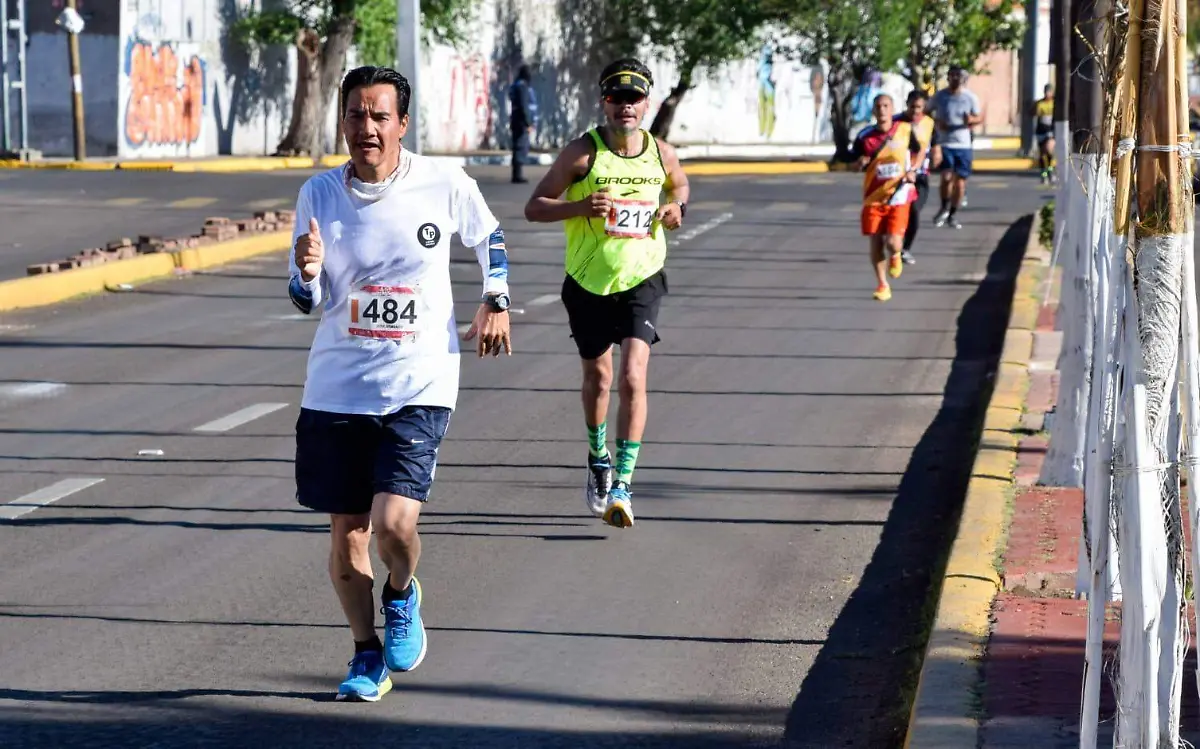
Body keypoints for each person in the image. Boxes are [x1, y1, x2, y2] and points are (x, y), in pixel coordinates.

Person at [288, 65, 514, 702]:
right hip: (336, 387)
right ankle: (366, 656)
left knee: (392, 525)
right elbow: (304, 299)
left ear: (401, 123)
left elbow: (489, 236)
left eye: (379, 116)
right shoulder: (320, 195)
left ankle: (401, 592)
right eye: (356, 115)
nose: (367, 127)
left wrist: (495, 298)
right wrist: (306, 273)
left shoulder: (441, 181)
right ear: (343, 121)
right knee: (347, 535)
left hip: (420, 380)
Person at [524, 58, 689, 529]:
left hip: (643, 276)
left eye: (634, 98)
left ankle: (623, 484)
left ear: (647, 103)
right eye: (617, 98)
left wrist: (676, 206)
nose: (626, 107)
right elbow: (534, 207)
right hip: (588, 282)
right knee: (600, 379)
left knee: (634, 376)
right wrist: (579, 205)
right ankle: (598, 457)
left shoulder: (661, 152)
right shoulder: (583, 154)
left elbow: (678, 184)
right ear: (604, 102)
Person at [850, 93, 925, 302]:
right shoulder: (864, 136)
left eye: (886, 106)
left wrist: (913, 171)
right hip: (874, 196)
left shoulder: (905, 130)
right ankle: (882, 284)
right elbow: (852, 163)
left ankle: (895, 255)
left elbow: (919, 152)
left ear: (892, 110)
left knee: (893, 242)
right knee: (875, 241)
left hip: (899, 194)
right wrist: (859, 164)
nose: (882, 110)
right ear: (873, 111)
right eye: (878, 106)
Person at [928, 66, 982, 229]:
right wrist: (938, 123)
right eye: (952, 76)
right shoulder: (940, 96)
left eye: (958, 76)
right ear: (948, 77)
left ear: (963, 78)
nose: (955, 79)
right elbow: (926, 111)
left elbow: (978, 117)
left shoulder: (970, 97)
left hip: (963, 144)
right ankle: (944, 206)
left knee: (960, 183)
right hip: (945, 142)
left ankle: (952, 213)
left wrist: (971, 121)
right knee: (946, 177)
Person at [897, 89, 935, 264]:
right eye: (912, 107)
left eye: (919, 107)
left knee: (914, 211)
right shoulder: (896, 122)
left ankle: (905, 249)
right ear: (907, 105)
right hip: (897, 177)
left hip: (920, 176)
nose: (915, 111)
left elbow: (933, 144)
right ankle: (894, 244)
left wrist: (938, 152)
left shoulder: (929, 123)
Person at [508, 64, 539, 184]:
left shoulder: (517, 85)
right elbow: (523, 106)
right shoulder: (522, 86)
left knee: (518, 147)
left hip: (517, 120)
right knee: (520, 147)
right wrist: (528, 123)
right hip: (521, 122)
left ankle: (517, 174)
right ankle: (517, 175)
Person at [1031, 84, 1056, 185]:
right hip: (1041, 130)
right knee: (1042, 153)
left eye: (1049, 91)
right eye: (1046, 92)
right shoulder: (1040, 103)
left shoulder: (1054, 103)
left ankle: (1050, 171)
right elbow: (1033, 114)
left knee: (1049, 149)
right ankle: (1043, 174)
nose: (1047, 94)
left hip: (1050, 131)